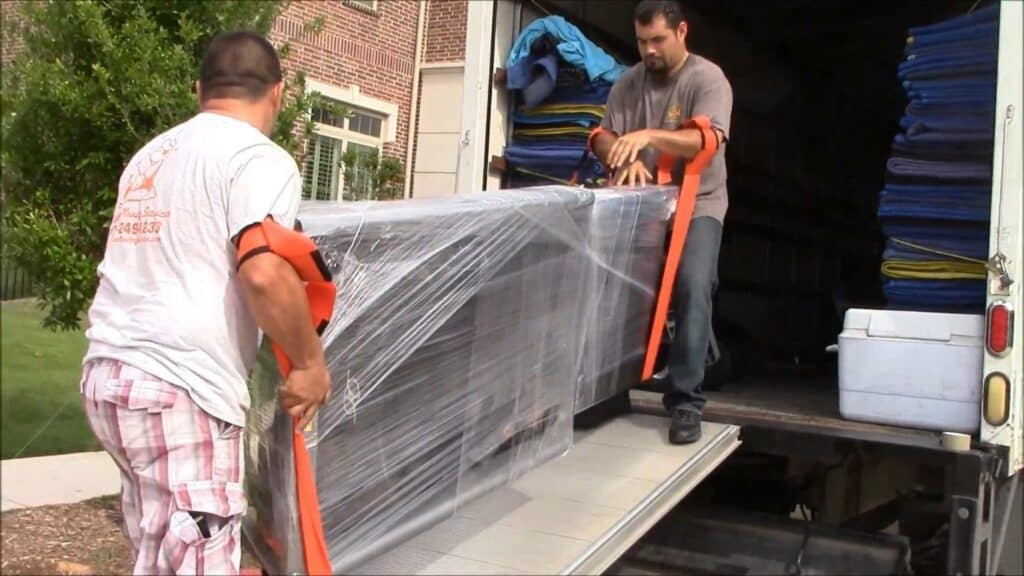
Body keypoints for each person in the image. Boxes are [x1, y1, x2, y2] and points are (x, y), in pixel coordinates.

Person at [79, 31, 331, 575]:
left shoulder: (153, 155)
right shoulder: (258, 158)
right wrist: (310, 364)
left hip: (110, 380)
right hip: (180, 389)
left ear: (200, 91)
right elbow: (263, 271)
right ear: (278, 94)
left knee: (160, 553)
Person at [591, 0, 733, 445]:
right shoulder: (628, 84)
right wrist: (621, 154)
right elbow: (602, 135)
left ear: (682, 32)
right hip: (643, 204)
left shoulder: (708, 79)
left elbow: (703, 140)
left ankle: (686, 402)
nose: (648, 50)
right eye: (641, 41)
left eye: (657, 40)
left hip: (699, 203)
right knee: (618, 289)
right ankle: (611, 392)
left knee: (693, 285)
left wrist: (649, 137)